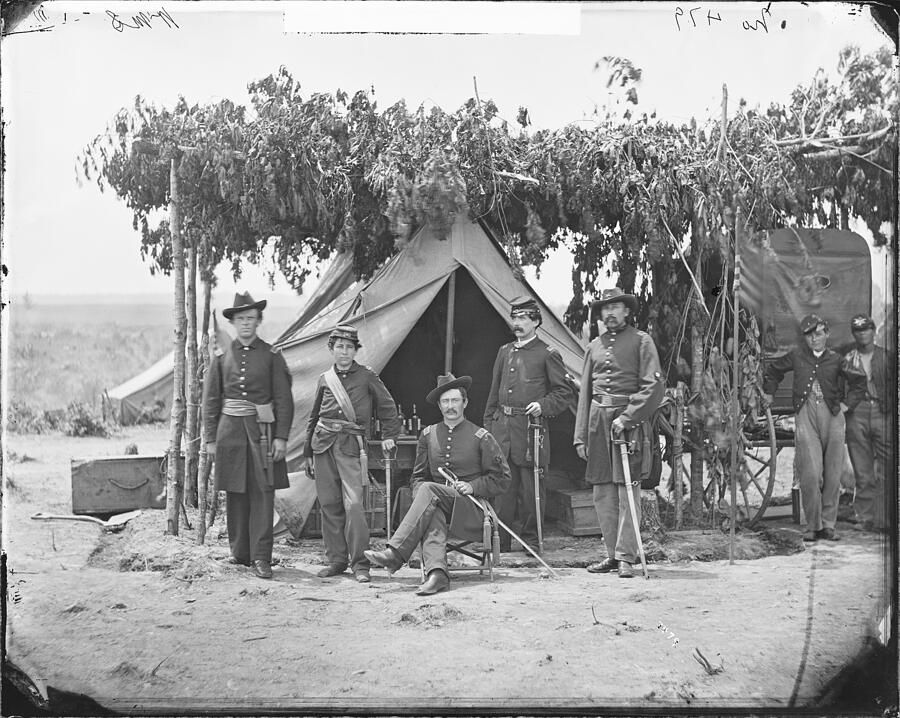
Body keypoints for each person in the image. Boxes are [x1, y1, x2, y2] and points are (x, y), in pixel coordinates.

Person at [365, 374, 511, 596]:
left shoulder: (481, 436)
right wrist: (421, 497)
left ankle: (395, 553)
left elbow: (502, 479)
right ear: (439, 405)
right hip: (437, 507)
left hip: (471, 511)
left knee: (428, 491)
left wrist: (473, 486)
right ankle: (438, 576)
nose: (450, 406)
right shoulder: (428, 435)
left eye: (455, 401)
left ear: (465, 403)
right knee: (429, 504)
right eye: (445, 401)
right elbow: (418, 478)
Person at [203, 292, 294, 580]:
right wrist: (210, 440)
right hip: (230, 434)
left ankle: (261, 557)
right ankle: (239, 553)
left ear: (258, 321)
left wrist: (281, 438)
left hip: (262, 434)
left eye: (250, 319)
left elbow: (284, 400)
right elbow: (211, 402)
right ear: (232, 323)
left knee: (263, 493)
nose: (245, 324)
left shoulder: (271, 356)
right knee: (236, 492)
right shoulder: (220, 360)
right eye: (240, 319)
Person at [574, 288, 664, 579]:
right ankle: (612, 555)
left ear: (627, 311)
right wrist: (581, 436)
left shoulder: (642, 341)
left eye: (616, 307)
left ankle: (627, 556)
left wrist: (628, 418)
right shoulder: (594, 347)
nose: (610, 313)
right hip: (599, 424)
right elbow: (585, 394)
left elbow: (653, 387)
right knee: (602, 493)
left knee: (627, 492)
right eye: (605, 309)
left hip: (629, 425)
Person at [304, 325, 401, 583]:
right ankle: (336, 560)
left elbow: (388, 406)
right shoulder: (325, 379)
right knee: (329, 504)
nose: (344, 352)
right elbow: (314, 417)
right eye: (339, 347)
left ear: (355, 350)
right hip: (323, 445)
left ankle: (360, 564)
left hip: (351, 447)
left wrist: (390, 435)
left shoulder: (367, 376)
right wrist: (306, 452)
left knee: (355, 506)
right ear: (331, 349)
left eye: (349, 347)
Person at [483, 296, 575, 552]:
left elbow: (564, 393)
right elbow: (493, 393)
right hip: (502, 429)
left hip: (530, 431)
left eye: (523, 318)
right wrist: (489, 427)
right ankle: (499, 541)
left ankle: (531, 542)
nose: (517, 323)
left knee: (530, 489)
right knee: (502, 487)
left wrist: (543, 406)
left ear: (536, 322)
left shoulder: (548, 353)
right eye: (515, 318)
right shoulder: (505, 352)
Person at [763, 314, 862, 542]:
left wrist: (847, 405)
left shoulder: (837, 359)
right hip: (805, 415)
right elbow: (774, 371)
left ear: (826, 333)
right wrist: (770, 391)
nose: (814, 339)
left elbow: (859, 382)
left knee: (833, 473)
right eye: (809, 335)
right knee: (810, 473)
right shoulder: (797, 356)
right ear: (804, 338)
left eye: (818, 333)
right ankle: (812, 526)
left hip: (834, 416)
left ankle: (828, 526)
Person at [843, 314, 893, 532]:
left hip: (883, 411)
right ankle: (865, 518)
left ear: (874, 331)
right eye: (858, 330)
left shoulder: (887, 357)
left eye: (866, 329)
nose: (863, 334)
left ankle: (884, 520)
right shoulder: (848, 358)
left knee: (887, 467)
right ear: (854, 334)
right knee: (862, 468)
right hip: (857, 412)